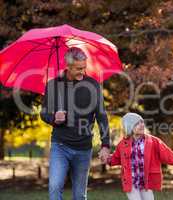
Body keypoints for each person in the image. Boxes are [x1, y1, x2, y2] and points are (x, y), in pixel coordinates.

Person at [40, 47, 110, 200]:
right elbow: (43, 113)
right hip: (60, 145)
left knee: (79, 195)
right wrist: (54, 118)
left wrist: (105, 145)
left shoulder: (93, 86)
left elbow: (102, 117)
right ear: (68, 66)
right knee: (55, 186)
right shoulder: (53, 85)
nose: (82, 72)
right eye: (78, 68)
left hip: (83, 148)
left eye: (84, 67)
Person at [105, 113, 173, 200]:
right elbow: (116, 158)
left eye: (142, 122)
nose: (141, 125)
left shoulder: (152, 141)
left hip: (146, 182)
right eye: (137, 123)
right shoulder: (123, 144)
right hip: (131, 182)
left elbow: (167, 153)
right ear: (129, 127)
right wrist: (107, 158)